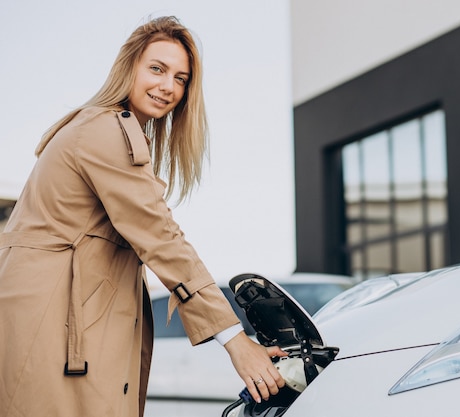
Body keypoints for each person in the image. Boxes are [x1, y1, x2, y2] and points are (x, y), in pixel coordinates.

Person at [0, 15, 286, 417]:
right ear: (128, 67)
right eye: (157, 69)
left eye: (181, 78)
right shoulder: (104, 131)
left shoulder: (106, 129)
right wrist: (235, 340)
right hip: (53, 327)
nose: (168, 86)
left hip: (56, 320)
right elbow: (160, 236)